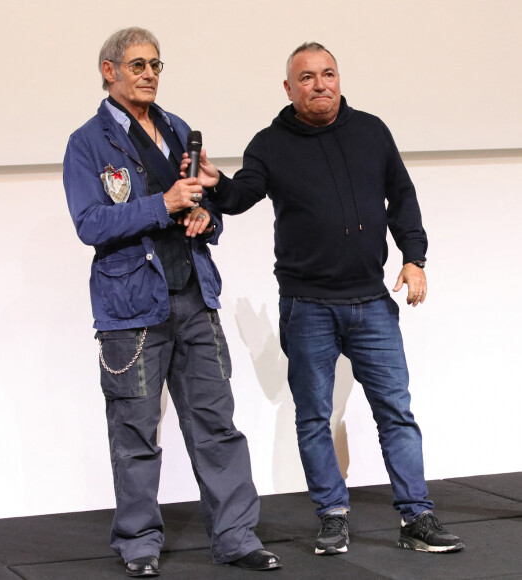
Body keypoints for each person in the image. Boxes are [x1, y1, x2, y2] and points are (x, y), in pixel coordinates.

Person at [182, 42, 465, 556]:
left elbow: (402, 196)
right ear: (289, 89)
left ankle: (416, 516)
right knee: (313, 417)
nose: (320, 84)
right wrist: (215, 182)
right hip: (307, 305)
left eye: (328, 73)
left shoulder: (372, 131)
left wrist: (414, 257)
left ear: (339, 78)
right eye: (307, 77)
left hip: (371, 302)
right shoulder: (269, 143)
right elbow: (241, 195)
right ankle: (332, 516)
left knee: (395, 412)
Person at [63, 27, 281, 577]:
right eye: (137, 65)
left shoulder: (178, 130)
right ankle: (139, 542)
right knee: (135, 428)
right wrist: (163, 203)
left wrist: (207, 217)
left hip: (193, 295)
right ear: (109, 71)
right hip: (131, 306)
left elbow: (201, 206)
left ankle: (236, 536)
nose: (149, 74)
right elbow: (90, 223)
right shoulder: (87, 142)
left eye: (156, 65)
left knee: (216, 423)